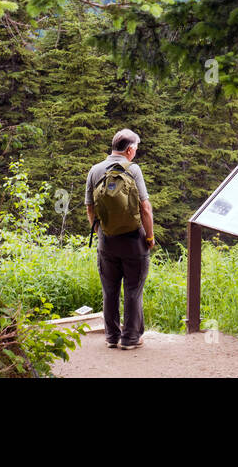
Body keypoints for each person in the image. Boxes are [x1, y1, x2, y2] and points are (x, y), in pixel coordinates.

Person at [86, 128, 155, 349]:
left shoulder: (95, 170)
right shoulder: (133, 170)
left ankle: (112, 336)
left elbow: (89, 208)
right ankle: (131, 338)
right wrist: (150, 237)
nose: (135, 152)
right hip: (133, 240)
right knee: (133, 289)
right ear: (129, 150)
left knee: (110, 290)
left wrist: (101, 233)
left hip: (107, 240)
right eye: (135, 148)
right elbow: (145, 208)